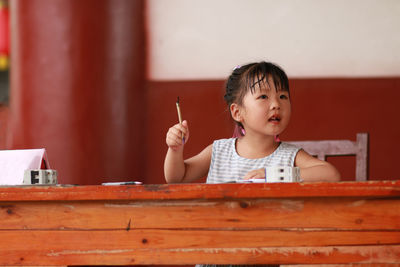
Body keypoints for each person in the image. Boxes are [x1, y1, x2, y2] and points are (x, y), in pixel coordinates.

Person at [164, 61, 340, 185]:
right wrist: (175, 150)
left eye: (283, 96)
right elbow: (177, 178)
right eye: (263, 96)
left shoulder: (289, 157)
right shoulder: (219, 151)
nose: (276, 104)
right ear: (237, 112)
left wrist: (274, 175)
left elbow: (331, 174)